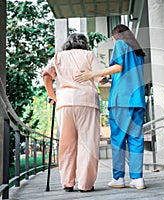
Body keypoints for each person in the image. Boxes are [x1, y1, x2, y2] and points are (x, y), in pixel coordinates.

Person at [74, 24, 146, 189]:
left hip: (121, 101)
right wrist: (109, 79)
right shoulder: (138, 53)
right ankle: (137, 178)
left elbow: (118, 67)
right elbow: (127, 75)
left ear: (116, 36)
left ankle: (119, 178)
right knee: (135, 139)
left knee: (118, 140)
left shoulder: (120, 44)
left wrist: (92, 74)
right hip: (137, 100)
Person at [42, 33, 105, 192]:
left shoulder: (59, 56)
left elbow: (46, 75)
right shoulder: (89, 55)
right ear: (84, 44)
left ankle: (68, 183)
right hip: (87, 102)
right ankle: (85, 185)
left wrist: (52, 95)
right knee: (88, 144)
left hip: (65, 103)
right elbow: (101, 78)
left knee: (66, 144)